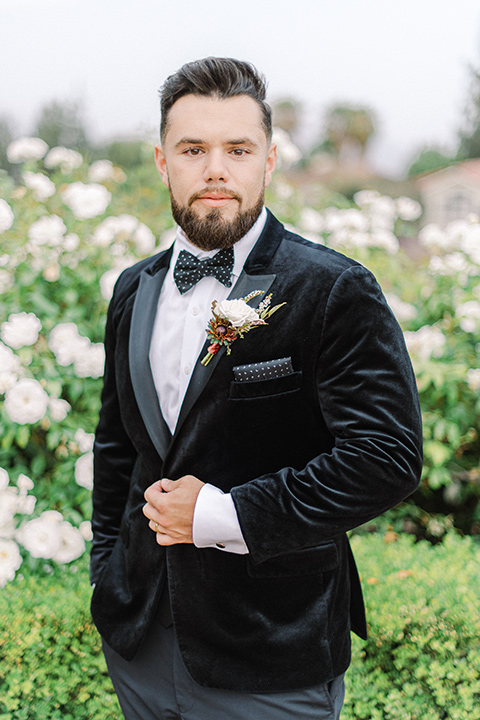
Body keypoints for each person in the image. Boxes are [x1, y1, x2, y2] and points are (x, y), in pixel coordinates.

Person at [90, 57, 423, 720]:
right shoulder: (136, 287)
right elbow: (116, 448)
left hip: (271, 651)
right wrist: (106, 573)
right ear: (162, 163)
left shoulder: (333, 288)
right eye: (194, 149)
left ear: (269, 161)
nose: (216, 169)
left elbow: (384, 458)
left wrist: (220, 515)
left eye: (238, 149)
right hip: (139, 643)